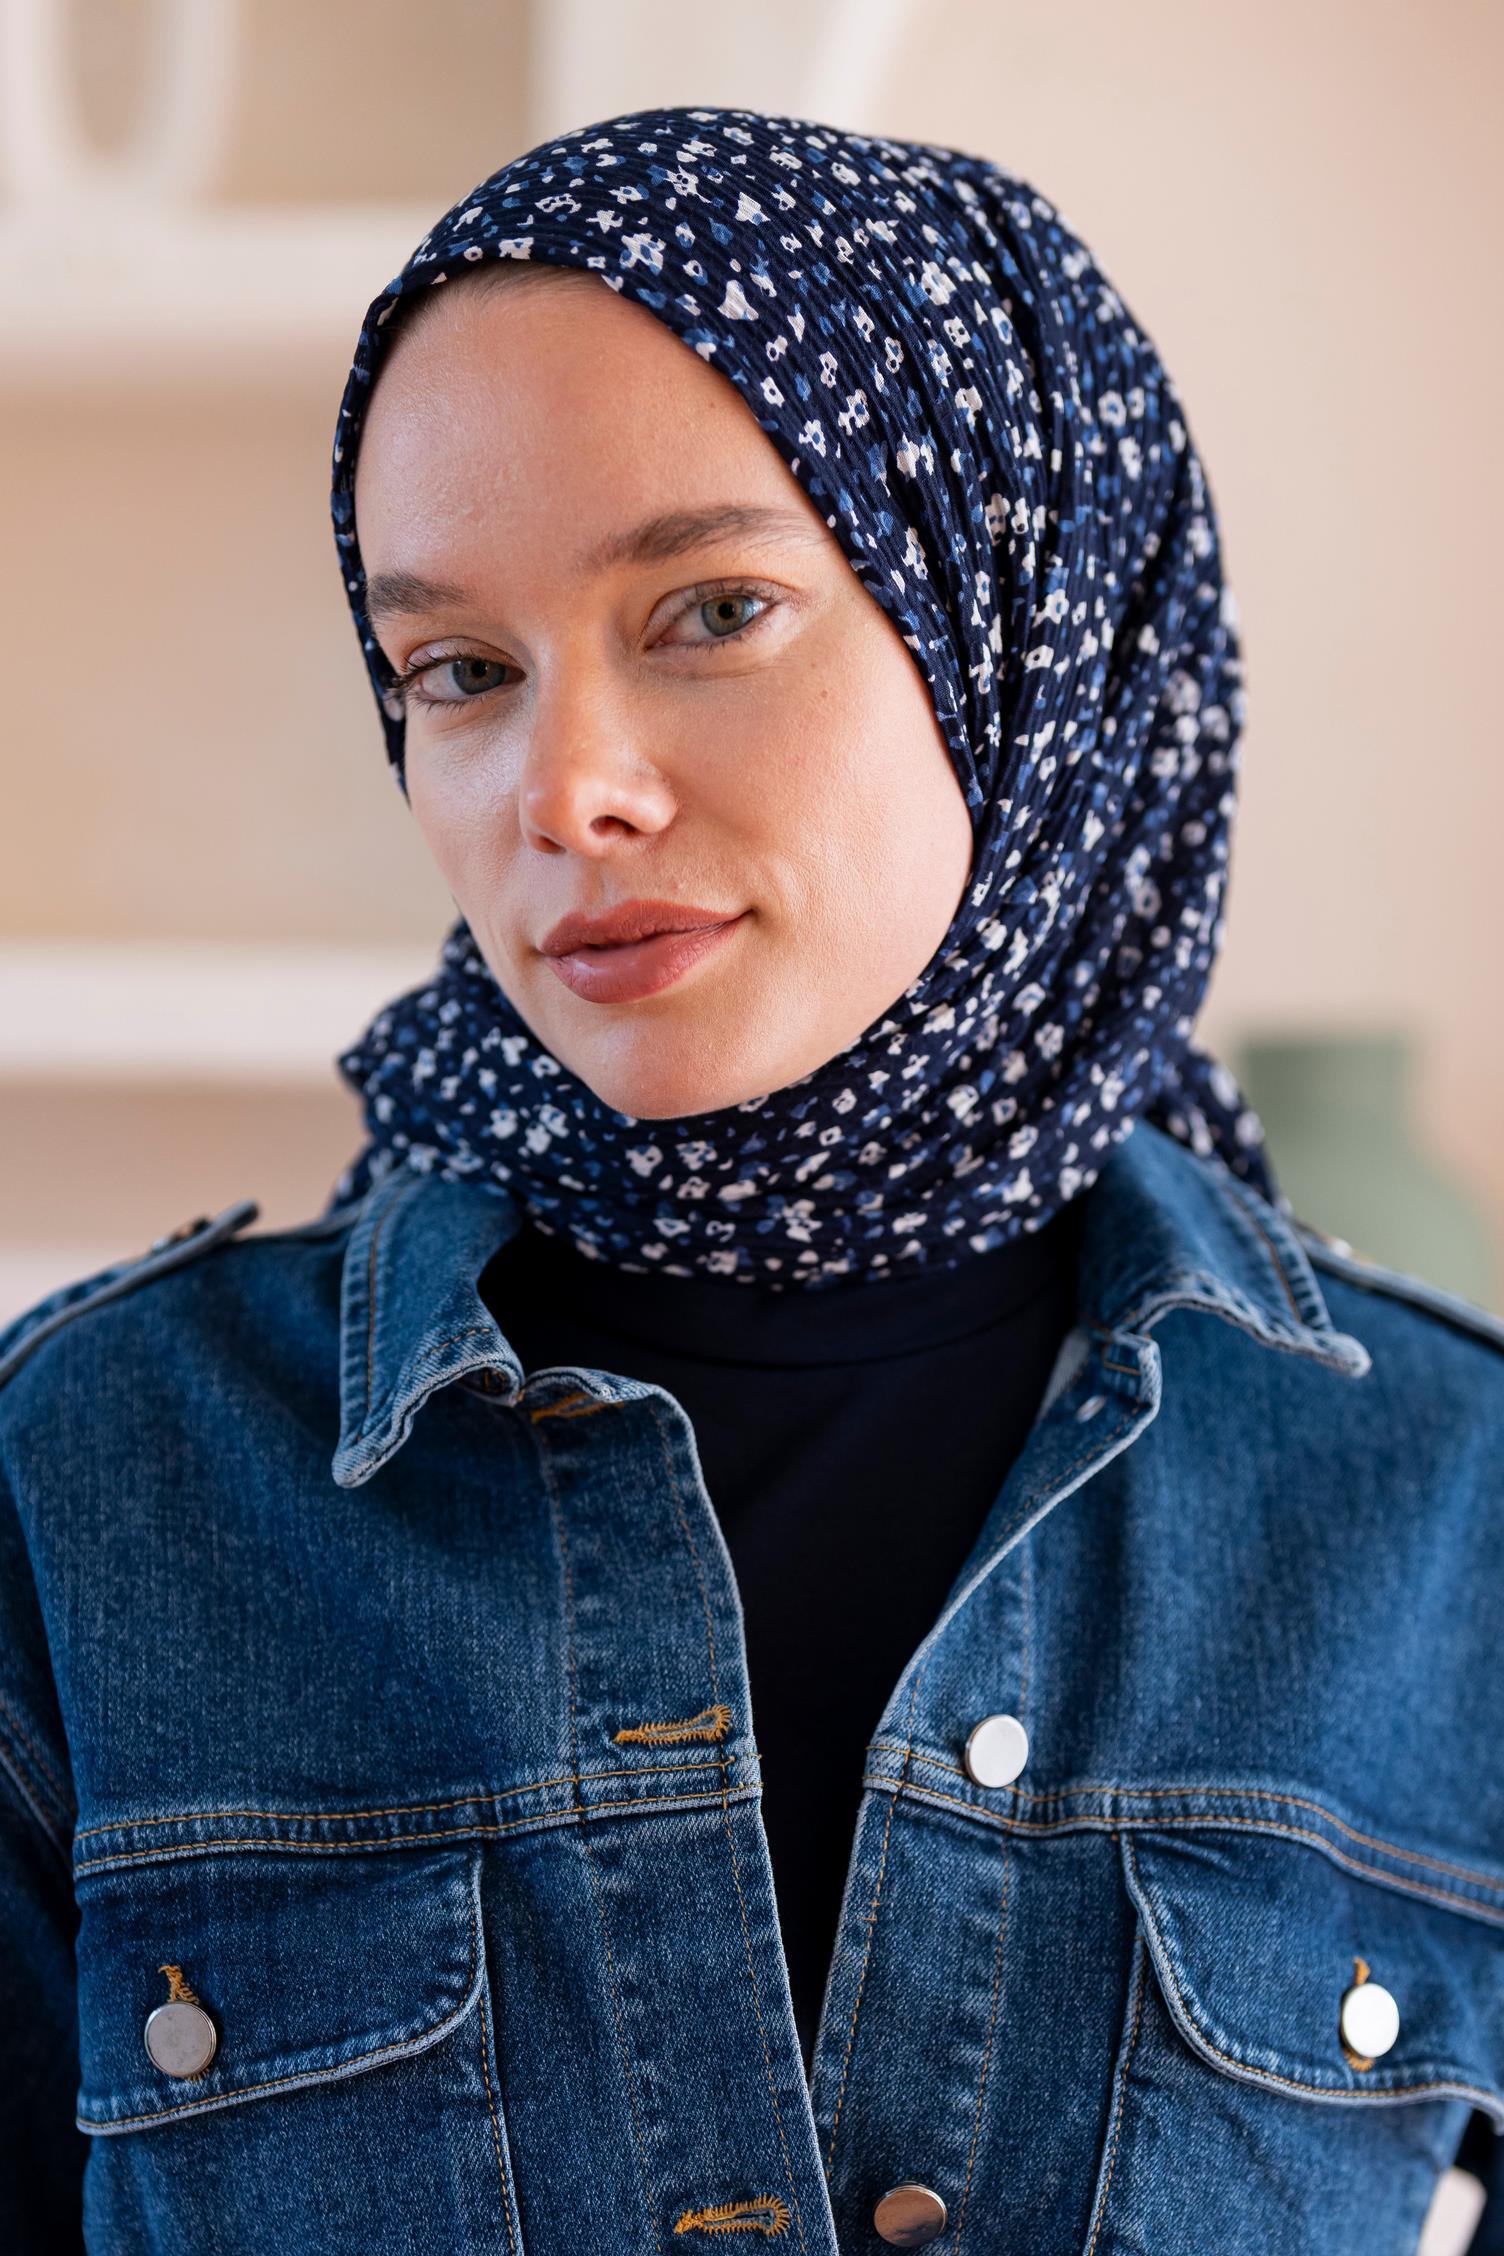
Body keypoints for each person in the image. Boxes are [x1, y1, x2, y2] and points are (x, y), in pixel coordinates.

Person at [2, 105, 1502, 2256]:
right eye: (459, 671)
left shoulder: (1452, 1509)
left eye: (710, 609)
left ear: (1021, 627)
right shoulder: (94, 1477)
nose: (564, 790)